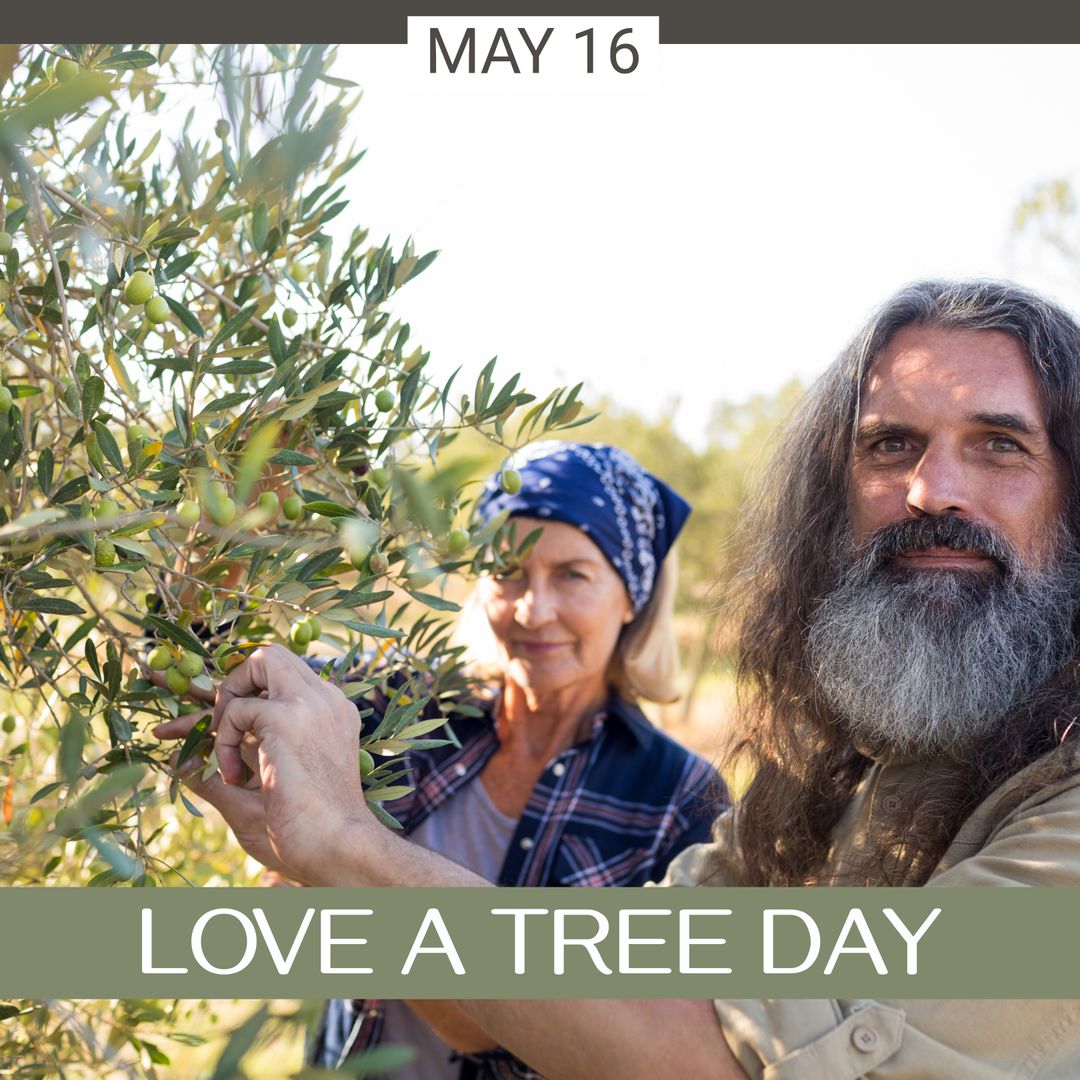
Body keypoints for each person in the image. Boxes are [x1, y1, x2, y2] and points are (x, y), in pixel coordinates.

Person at [158, 278, 1080, 1077]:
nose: (931, 490)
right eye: (889, 446)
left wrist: (346, 851)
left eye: (1000, 444)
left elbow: (715, 1059)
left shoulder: (674, 789)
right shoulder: (831, 784)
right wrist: (212, 518)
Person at [157, 442, 721, 1078]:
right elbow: (195, 662)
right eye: (508, 571)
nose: (534, 608)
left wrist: (339, 874)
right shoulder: (405, 705)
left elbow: (585, 1042)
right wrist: (239, 503)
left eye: (572, 574)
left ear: (631, 597)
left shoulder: (681, 799)